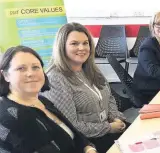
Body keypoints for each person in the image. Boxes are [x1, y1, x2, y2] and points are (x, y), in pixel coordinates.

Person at [42, 22, 127, 152]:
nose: (82, 48)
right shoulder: (56, 79)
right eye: (74, 43)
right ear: (62, 47)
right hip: (87, 141)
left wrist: (115, 116)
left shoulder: (91, 68)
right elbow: (71, 125)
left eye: (85, 43)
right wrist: (109, 128)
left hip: (109, 127)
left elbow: (109, 96)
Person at [0, 46, 97, 153]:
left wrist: (89, 148)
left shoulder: (42, 100)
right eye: (21, 68)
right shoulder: (8, 117)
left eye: (35, 67)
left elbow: (74, 134)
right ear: (6, 75)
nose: (30, 73)